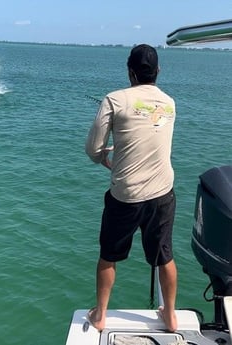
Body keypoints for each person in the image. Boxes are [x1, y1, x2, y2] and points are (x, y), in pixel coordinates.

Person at [85, 44, 177, 332]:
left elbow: (93, 149)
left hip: (125, 196)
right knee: (165, 256)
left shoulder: (114, 100)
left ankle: (100, 316)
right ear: (158, 71)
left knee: (108, 256)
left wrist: (105, 159)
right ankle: (171, 316)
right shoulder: (170, 103)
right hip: (163, 194)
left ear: (130, 71)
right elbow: (147, 135)